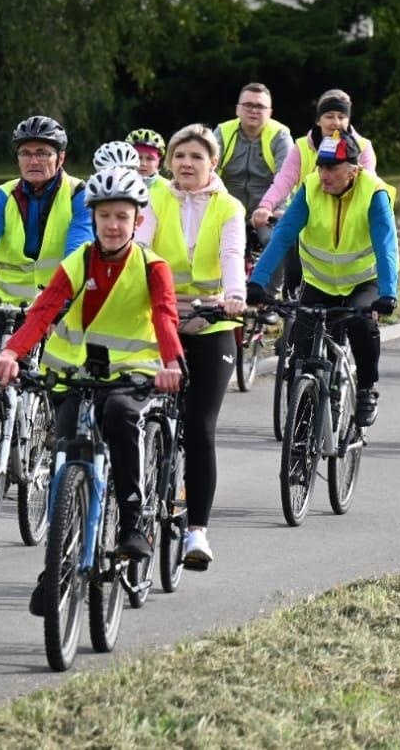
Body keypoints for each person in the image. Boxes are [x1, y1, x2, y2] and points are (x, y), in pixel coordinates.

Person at [0, 168, 184, 612]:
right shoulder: (77, 262)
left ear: (137, 220)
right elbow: (43, 311)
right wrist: (13, 353)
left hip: (130, 375)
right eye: (104, 216)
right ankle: (56, 562)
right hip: (72, 374)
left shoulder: (153, 267)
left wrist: (172, 362)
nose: (113, 225)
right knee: (66, 455)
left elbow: (164, 316)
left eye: (122, 216)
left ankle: (132, 523)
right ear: (93, 219)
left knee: (119, 417)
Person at [135, 125, 245, 570]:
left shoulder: (229, 207)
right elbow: (139, 247)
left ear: (212, 164)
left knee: (199, 428)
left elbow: (231, 256)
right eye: (179, 156)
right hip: (160, 319)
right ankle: (133, 513)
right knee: (133, 416)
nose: (186, 163)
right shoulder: (155, 199)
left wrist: (234, 294)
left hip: (213, 322)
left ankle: (197, 530)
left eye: (196, 157)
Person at [247, 132, 398, 428]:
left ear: (353, 169)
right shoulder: (311, 187)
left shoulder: (373, 193)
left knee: (361, 324)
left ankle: (367, 388)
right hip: (319, 282)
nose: (324, 174)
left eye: (333, 168)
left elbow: (386, 246)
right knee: (300, 356)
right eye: (321, 166)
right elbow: (283, 235)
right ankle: (301, 430)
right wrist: (258, 281)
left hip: (363, 282)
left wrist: (389, 292)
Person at [251, 88, 378, 293]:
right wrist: (266, 206)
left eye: (341, 116)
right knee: (293, 280)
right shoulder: (302, 146)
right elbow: (284, 180)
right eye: (329, 116)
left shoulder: (363, 147)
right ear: (318, 120)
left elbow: (369, 185)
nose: (336, 122)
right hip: (307, 221)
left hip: (345, 224)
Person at [0, 116, 93, 311]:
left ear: (61, 158)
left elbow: (78, 250)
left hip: (57, 302)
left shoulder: (78, 194)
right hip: (4, 306)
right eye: (25, 153)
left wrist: (67, 291)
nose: (33, 161)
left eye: (42, 153)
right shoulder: (3, 195)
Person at [217, 83, 292, 216]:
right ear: (237, 110)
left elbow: (285, 178)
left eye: (260, 106)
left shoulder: (280, 135)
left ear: (270, 113)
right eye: (247, 105)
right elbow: (206, 171)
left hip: (269, 209)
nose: (253, 110)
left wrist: (271, 209)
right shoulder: (222, 132)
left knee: (269, 237)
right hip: (226, 208)